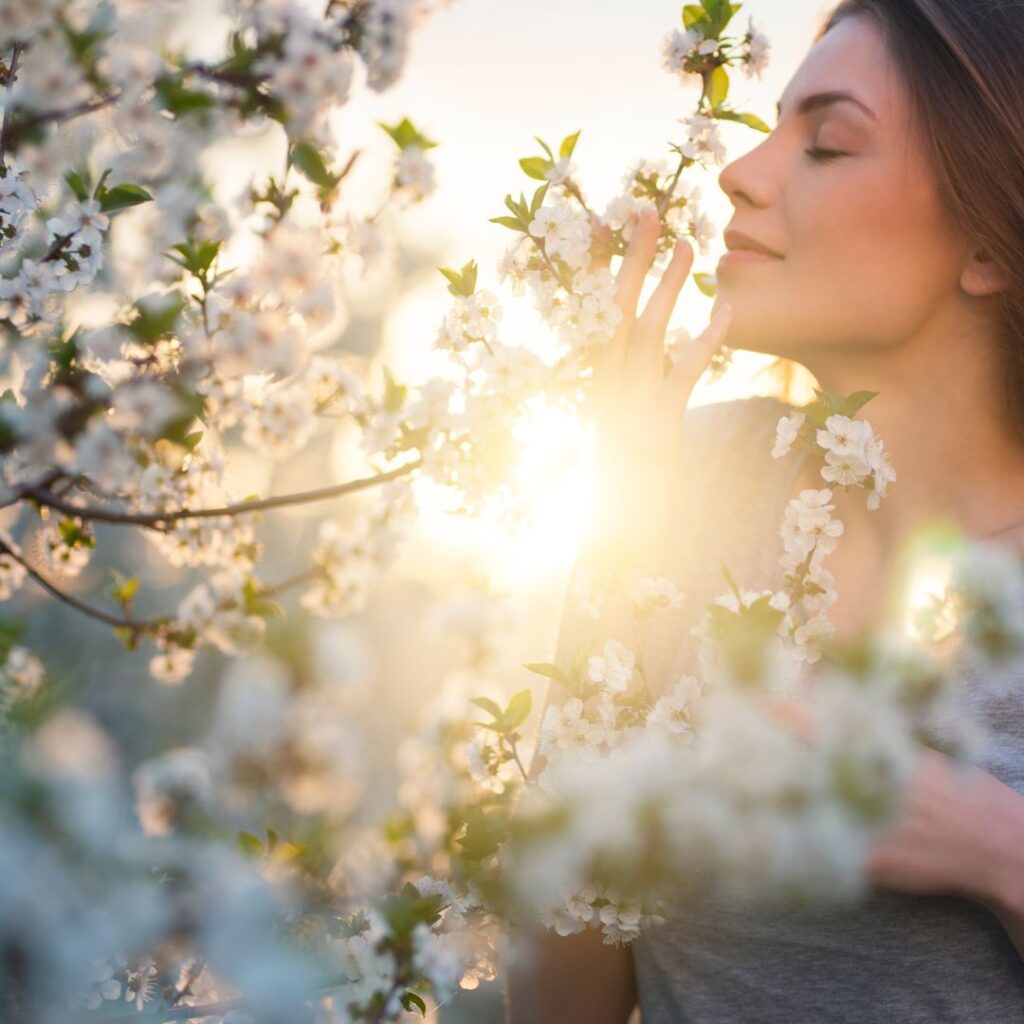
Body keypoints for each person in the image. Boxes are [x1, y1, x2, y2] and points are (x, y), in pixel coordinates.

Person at [505, 1, 1024, 1020]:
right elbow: (560, 1002)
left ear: (988, 247)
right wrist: (621, 548)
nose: (742, 171)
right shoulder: (686, 483)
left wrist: (990, 846)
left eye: (826, 143)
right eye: (774, 125)